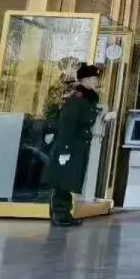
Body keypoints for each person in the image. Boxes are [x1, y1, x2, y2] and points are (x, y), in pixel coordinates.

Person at [43, 63, 102, 227]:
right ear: (86, 80)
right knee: (62, 181)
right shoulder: (77, 99)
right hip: (69, 145)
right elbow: (67, 125)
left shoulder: (88, 98)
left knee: (68, 180)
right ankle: (59, 214)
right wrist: (65, 150)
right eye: (94, 78)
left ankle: (64, 213)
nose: (97, 81)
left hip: (78, 146)